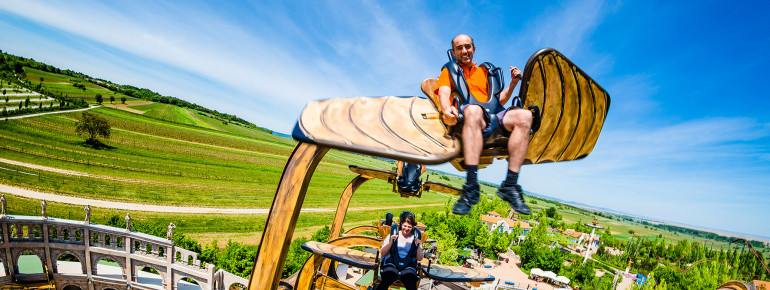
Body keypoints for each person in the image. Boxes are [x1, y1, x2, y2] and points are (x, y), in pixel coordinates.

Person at [435, 34, 532, 216]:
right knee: (473, 110)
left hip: (492, 115)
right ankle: (471, 187)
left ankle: (510, 185)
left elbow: (498, 101)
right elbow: (444, 92)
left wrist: (512, 84)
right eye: (459, 48)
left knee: (525, 116)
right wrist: (446, 110)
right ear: (454, 52)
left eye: (468, 46)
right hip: (471, 114)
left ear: (474, 48)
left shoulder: (484, 71)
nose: (464, 51)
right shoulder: (449, 71)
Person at [376, 214, 424, 290]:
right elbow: (383, 253)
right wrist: (391, 242)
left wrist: (418, 245)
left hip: (408, 266)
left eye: (409, 227)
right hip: (392, 264)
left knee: (411, 283)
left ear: (412, 227)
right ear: (401, 224)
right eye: (405, 226)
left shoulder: (415, 238)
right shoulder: (393, 234)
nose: (406, 229)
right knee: (386, 279)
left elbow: (420, 258)